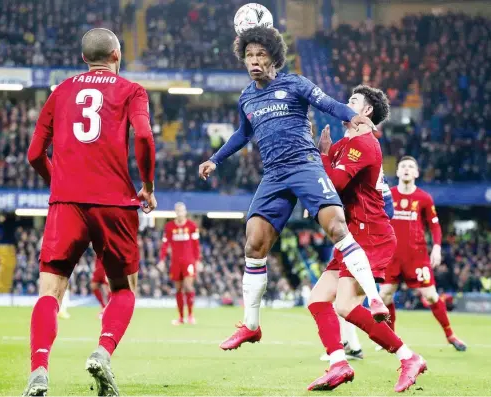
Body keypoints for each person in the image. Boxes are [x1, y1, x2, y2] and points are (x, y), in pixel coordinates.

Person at [198, 27, 388, 351]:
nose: (254, 61)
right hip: (273, 175)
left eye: (260, 54)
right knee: (253, 244)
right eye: (249, 56)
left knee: (336, 227)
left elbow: (328, 103)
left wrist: (354, 117)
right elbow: (242, 135)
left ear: (273, 56)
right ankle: (251, 325)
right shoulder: (246, 98)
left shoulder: (296, 83)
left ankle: (374, 299)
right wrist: (215, 158)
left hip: (304, 165)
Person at [23, 28, 157, 397]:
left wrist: (59, 183)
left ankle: (39, 370)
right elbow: (144, 136)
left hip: (67, 202)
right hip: (115, 202)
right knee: (123, 289)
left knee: (50, 291)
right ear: (117, 54)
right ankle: (103, 351)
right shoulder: (132, 90)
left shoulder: (61, 91)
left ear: (84, 58)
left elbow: (35, 154)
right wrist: (147, 186)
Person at [307, 86, 426, 393]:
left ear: (367, 111)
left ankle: (408, 356)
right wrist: (321, 150)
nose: (346, 106)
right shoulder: (347, 144)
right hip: (350, 235)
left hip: (370, 235)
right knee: (318, 299)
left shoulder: (364, 143)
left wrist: (319, 153)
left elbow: (334, 183)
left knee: (346, 306)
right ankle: (338, 364)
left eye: (353, 102)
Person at [380, 157, 467, 351]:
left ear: (417, 173)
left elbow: (435, 226)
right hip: (391, 255)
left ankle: (450, 335)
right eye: (403, 166)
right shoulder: (388, 195)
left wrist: (436, 247)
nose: (407, 169)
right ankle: (391, 338)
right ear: (398, 171)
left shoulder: (424, 198)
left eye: (411, 167)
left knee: (431, 296)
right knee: (385, 295)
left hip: (416, 256)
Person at [158, 202, 201, 325]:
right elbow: (165, 244)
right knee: (178, 289)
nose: (180, 213)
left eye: (182, 210)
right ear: (175, 212)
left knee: (188, 286)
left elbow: (196, 245)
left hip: (189, 262)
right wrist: (161, 260)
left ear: (185, 212)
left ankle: (191, 315)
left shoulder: (192, 226)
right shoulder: (169, 227)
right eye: (178, 210)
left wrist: (197, 261)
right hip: (175, 262)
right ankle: (181, 317)